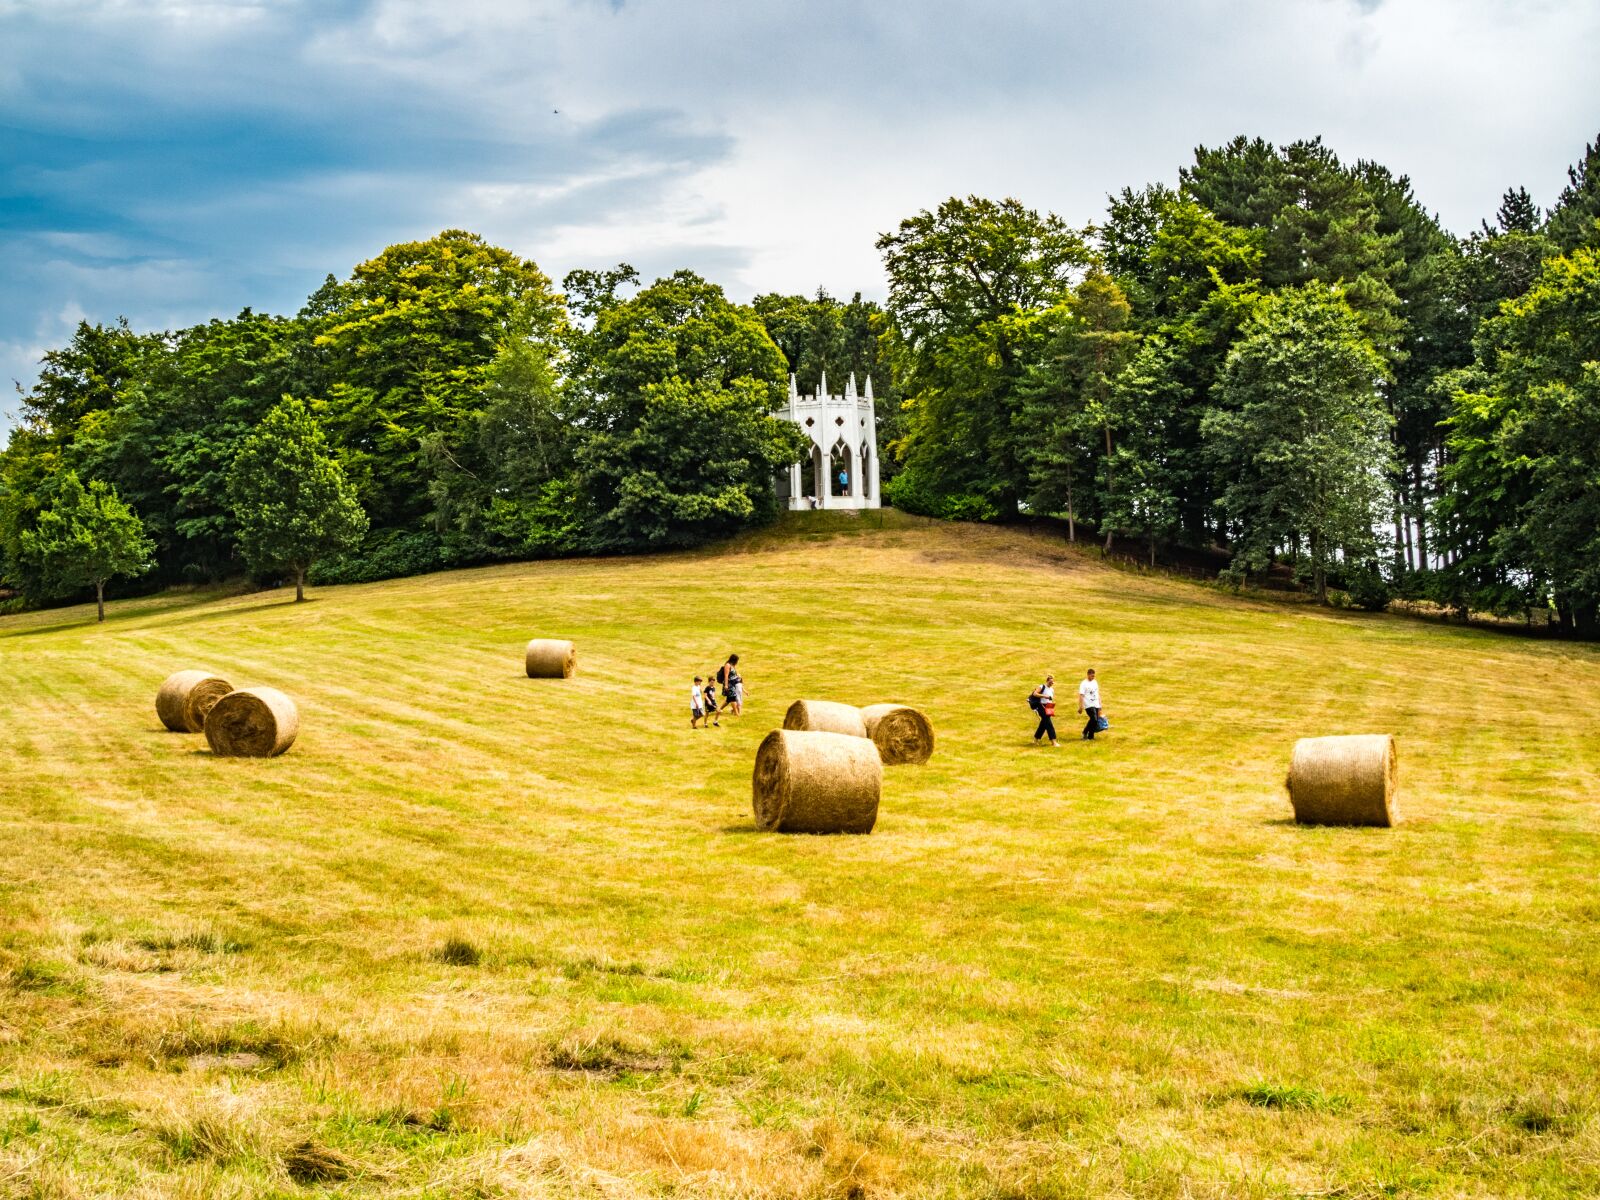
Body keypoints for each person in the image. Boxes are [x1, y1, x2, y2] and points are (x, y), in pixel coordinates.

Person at [1029, 674, 1058, 746]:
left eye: (1052, 683)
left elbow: (1050, 698)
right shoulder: (1042, 686)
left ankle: (1036, 739)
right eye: (1050, 682)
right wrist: (1045, 696)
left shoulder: (1052, 689)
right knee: (1048, 723)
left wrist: (1051, 705)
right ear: (1047, 681)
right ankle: (1053, 741)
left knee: (1043, 724)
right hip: (1041, 707)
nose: (1051, 684)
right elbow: (1035, 694)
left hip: (1048, 707)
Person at [1077, 667, 1102, 740]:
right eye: (1092, 676)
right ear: (1088, 675)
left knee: (1095, 720)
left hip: (1096, 703)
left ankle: (1091, 736)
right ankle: (1085, 732)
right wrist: (1081, 706)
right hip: (1088, 704)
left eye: (1094, 676)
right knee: (1093, 719)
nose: (1093, 677)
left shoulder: (1095, 682)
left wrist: (1100, 704)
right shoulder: (1083, 684)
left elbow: (1097, 693)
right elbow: (1081, 695)